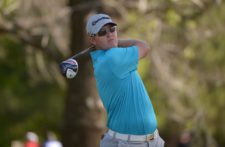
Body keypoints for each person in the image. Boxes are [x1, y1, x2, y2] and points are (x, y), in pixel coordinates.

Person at [86, 13, 165, 147]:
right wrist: (118, 42)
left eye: (112, 29)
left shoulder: (104, 58)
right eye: (102, 32)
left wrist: (113, 42)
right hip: (129, 143)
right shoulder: (113, 57)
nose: (110, 34)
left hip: (148, 141)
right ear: (92, 40)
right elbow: (144, 47)